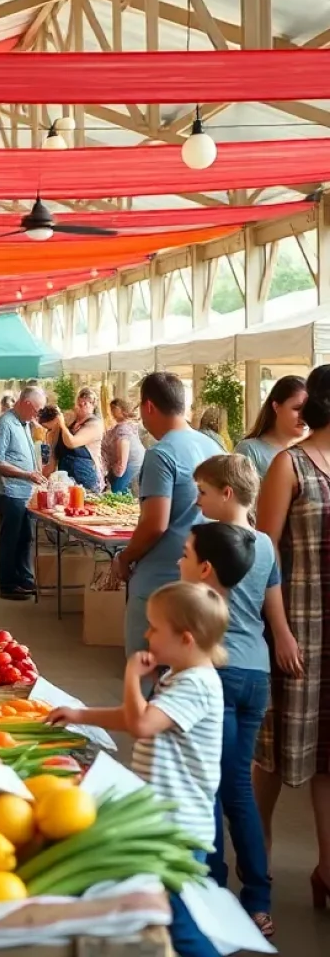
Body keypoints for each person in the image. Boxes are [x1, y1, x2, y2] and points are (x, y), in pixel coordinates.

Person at [47, 581, 228, 957]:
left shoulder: (196, 683)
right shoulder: (180, 674)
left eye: (154, 628)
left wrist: (131, 677)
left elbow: (142, 724)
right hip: (163, 818)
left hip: (179, 825)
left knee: (180, 922)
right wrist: (81, 715)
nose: (146, 635)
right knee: (169, 914)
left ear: (186, 639)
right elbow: (139, 717)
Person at [184, 455, 289, 936]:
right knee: (240, 788)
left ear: (227, 492)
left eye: (203, 492)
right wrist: (284, 640)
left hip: (216, 672)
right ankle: (259, 900)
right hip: (257, 674)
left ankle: (209, 888)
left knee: (208, 785)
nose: (198, 501)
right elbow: (273, 609)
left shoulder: (205, 544)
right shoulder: (266, 544)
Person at [254, 363, 330, 899]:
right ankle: (258, 858)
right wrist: (279, 630)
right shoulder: (290, 465)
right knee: (277, 748)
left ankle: (328, 869)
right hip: (300, 625)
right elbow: (264, 553)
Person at [116, 372, 222, 655]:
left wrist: (125, 558)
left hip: (160, 582)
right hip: (203, 579)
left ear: (148, 406)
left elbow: (155, 524)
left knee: (147, 671)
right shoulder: (214, 447)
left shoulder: (162, 453)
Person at [0, 386, 48, 601]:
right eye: (37, 409)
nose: (38, 414)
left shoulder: (23, 424)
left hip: (22, 490)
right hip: (9, 490)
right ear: (27, 403)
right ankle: (8, 584)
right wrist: (26, 474)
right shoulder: (4, 424)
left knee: (25, 536)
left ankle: (24, 578)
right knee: (11, 538)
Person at [235, 375, 307, 479]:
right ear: (276, 407)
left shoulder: (311, 450)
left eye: (310, 409)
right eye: (297, 408)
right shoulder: (249, 450)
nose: (305, 415)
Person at [41, 387, 104, 491]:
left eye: (86, 403)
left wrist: (61, 424)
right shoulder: (56, 430)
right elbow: (50, 457)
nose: (82, 406)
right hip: (65, 479)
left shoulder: (95, 424)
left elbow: (72, 443)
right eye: (79, 403)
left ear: (93, 405)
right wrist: (44, 478)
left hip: (85, 478)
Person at [101, 397, 146, 494]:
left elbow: (123, 452)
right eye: (111, 409)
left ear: (122, 410)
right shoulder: (120, 426)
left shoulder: (123, 428)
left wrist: (119, 469)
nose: (112, 411)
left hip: (130, 463)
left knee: (117, 490)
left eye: (114, 408)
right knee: (118, 488)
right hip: (128, 463)